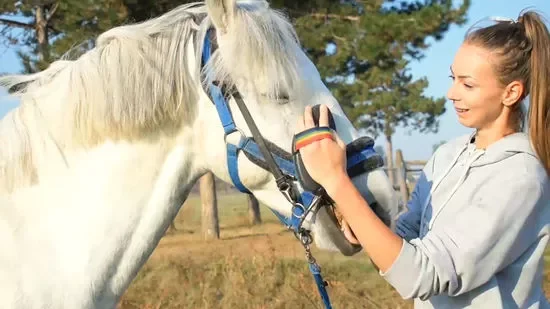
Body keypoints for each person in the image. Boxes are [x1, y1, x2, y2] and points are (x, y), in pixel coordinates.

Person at [295, 9, 550, 309]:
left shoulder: (521, 177)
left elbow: (422, 275)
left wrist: (337, 181)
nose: (451, 93)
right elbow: (400, 250)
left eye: (468, 84)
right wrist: (353, 212)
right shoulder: (447, 156)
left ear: (511, 93)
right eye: (453, 78)